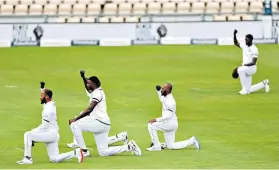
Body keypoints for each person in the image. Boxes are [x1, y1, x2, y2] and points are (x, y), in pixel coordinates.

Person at [68, 76, 142, 157]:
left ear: (93, 84)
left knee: (74, 125)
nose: (87, 85)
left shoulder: (97, 94)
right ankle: (129, 146)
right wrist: (83, 77)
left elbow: (89, 109)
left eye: (89, 83)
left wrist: (75, 119)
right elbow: (87, 87)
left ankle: (84, 152)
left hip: (99, 123)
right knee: (103, 152)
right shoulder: (96, 91)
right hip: (104, 124)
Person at [17, 85, 83, 164]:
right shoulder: (50, 104)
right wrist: (42, 89)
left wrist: (33, 132)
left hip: (50, 134)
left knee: (28, 135)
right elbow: (44, 103)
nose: (40, 97)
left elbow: (44, 127)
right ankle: (76, 152)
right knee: (54, 159)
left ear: (47, 97)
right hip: (53, 134)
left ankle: (28, 159)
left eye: (41, 95)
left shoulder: (48, 109)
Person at [146, 83, 200, 151]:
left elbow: (168, 116)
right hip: (172, 124)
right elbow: (162, 100)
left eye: (163, 88)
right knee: (171, 146)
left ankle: (156, 146)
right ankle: (192, 141)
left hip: (169, 124)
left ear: (167, 90)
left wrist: (156, 120)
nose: (162, 89)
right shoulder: (166, 96)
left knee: (151, 125)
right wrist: (158, 91)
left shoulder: (171, 102)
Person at [233, 29, 270, 95]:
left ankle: (244, 89)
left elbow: (253, 62)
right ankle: (264, 83)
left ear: (251, 40)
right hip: (246, 68)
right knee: (249, 89)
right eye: (245, 39)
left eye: (247, 40)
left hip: (252, 68)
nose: (245, 41)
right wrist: (234, 34)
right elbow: (236, 43)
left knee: (240, 70)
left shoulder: (254, 49)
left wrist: (243, 65)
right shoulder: (244, 46)